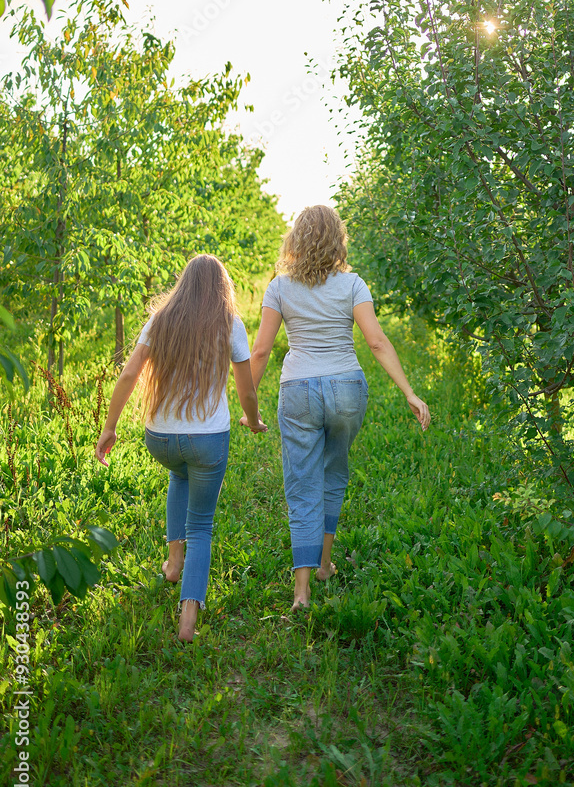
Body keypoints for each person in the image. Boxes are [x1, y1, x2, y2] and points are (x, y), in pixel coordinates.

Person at [243, 205, 430, 612]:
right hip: (347, 388)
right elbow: (377, 342)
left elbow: (260, 351)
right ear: (337, 239)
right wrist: (409, 393)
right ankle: (325, 563)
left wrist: (248, 403)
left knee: (302, 487)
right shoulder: (353, 285)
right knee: (333, 473)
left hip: (298, 391)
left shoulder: (279, 287)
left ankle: (302, 591)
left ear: (295, 239)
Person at [95, 254, 266, 641]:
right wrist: (253, 421)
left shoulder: (160, 320)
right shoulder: (230, 324)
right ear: (223, 288)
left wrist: (109, 427)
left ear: (183, 283)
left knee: (178, 474)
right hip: (208, 441)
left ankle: (174, 564)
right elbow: (246, 389)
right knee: (201, 524)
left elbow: (128, 373)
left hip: (161, 439)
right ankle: (188, 619)